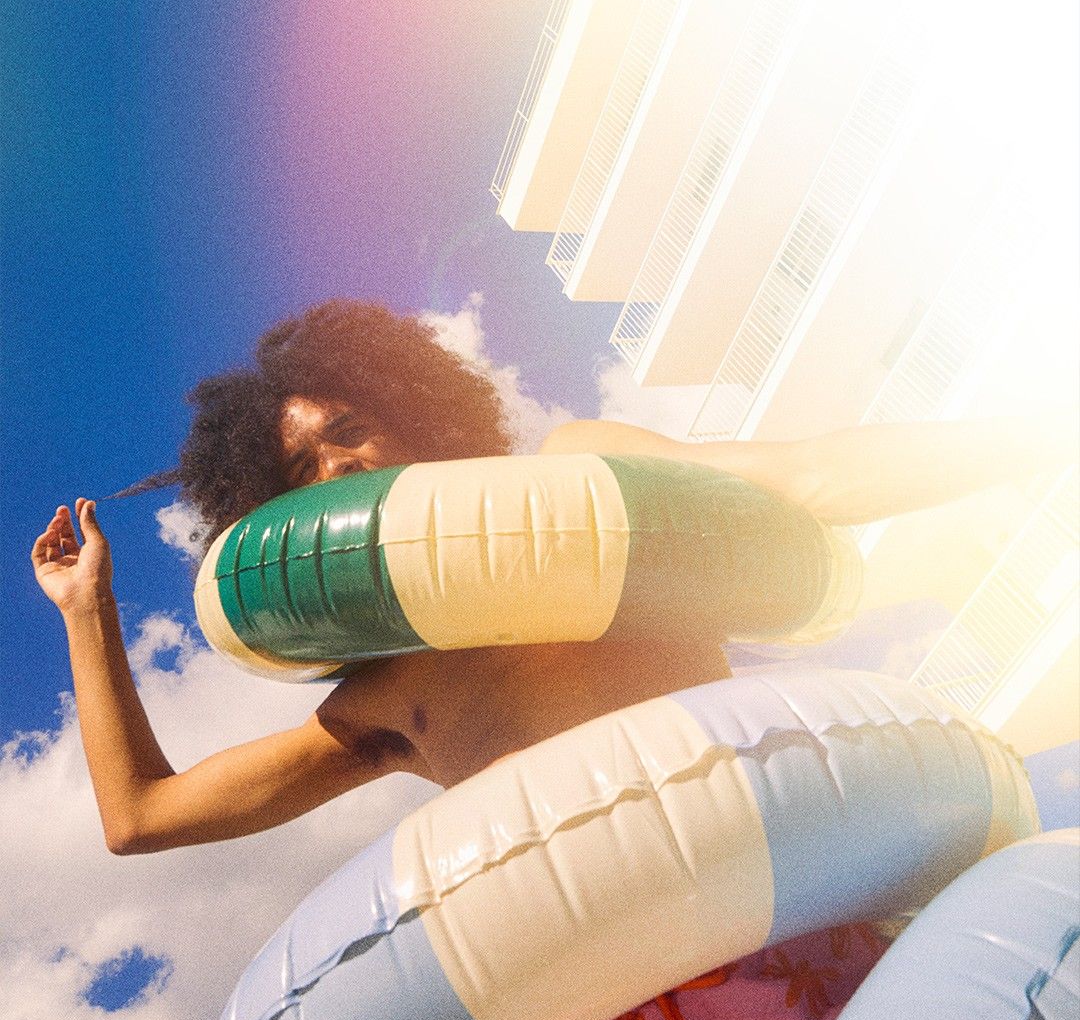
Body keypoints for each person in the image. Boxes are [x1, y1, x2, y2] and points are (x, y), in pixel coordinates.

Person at [32, 299, 1071, 857]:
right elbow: (142, 820)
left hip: (805, 875)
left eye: (351, 430)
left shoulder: (584, 476)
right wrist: (91, 613)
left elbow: (807, 476)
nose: (336, 470)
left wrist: (1042, 434)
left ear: (416, 410)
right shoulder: (393, 695)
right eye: (301, 470)